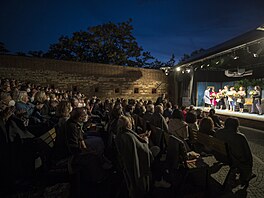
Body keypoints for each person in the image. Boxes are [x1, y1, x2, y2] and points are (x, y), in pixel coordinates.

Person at [214, 118, 254, 186]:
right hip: (232, 160)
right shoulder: (240, 137)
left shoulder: (218, 132)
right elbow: (247, 153)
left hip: (219, 156)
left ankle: (242, 176)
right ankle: (245, 177)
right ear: (236, 126)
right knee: (248, 161)